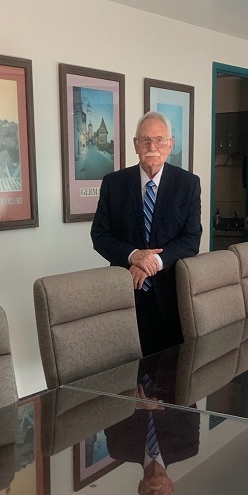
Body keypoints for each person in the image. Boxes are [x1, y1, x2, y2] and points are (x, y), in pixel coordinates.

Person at [91, 112, 201, 356]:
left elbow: (191, 239)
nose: (152, 147)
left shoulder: (188, 184)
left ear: (170, 145)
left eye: (160, 140)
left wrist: (152, 262)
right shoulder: (114, 183)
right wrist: (133, 256)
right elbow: (99, 235)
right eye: (145, 140)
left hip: (173, 296)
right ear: (135, 145)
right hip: (126, 295)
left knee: (173, 377)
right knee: (127, 372)